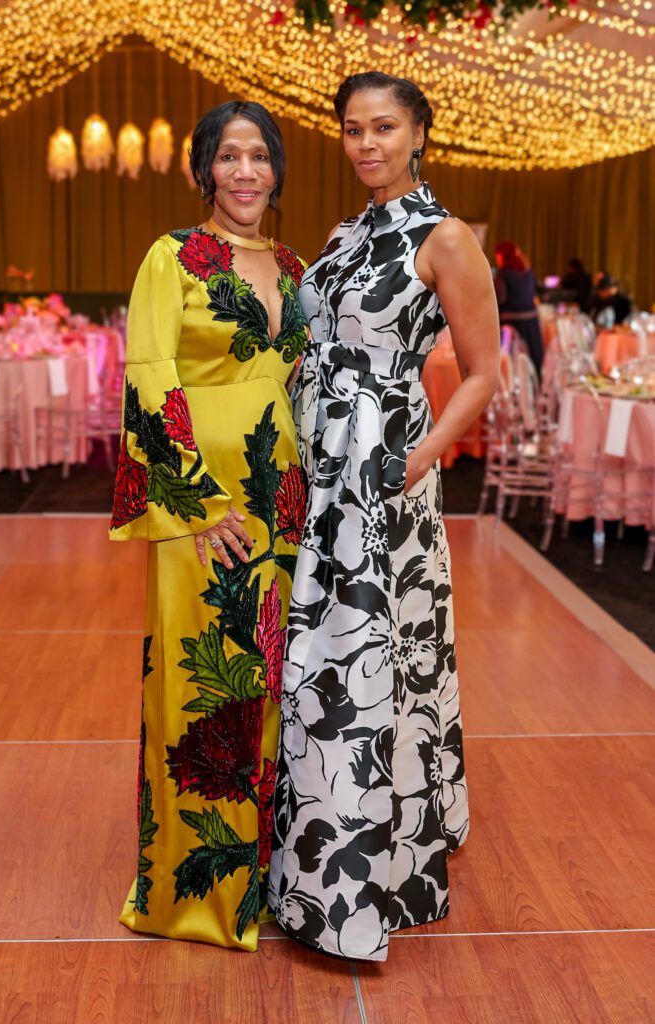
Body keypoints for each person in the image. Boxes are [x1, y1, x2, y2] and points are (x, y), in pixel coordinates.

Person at [268, 71, 500, 961]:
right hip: (320, 458)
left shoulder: (445, 237)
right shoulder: (343, 232)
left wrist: (421, 453)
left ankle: (370, 874)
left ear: (418, 133)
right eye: (354, 130)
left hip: (382, 468)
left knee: (370, 649)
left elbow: (481, 371)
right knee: (323, 646)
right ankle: (315, 846)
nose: (367, 144)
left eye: (384, 128)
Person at [109, 100, 308, 951]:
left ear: (276, 169)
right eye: (228, 157)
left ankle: (267, 881)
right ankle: (195, 896)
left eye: (258, 156)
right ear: (203, 170)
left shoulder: (295, 265)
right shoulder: (173, 259)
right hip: (206, 508)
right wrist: (194, 508)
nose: (245, 172)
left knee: (276, 685)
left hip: (283, 502)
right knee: (206, 694)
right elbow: (150, 377)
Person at [494, 240, 544, 374]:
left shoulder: (503, 274)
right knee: (532, 361)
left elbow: (500, 298)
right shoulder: (528, 272)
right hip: (532, 323)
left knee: (512, 365)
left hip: (512, 326)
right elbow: (534, 294)